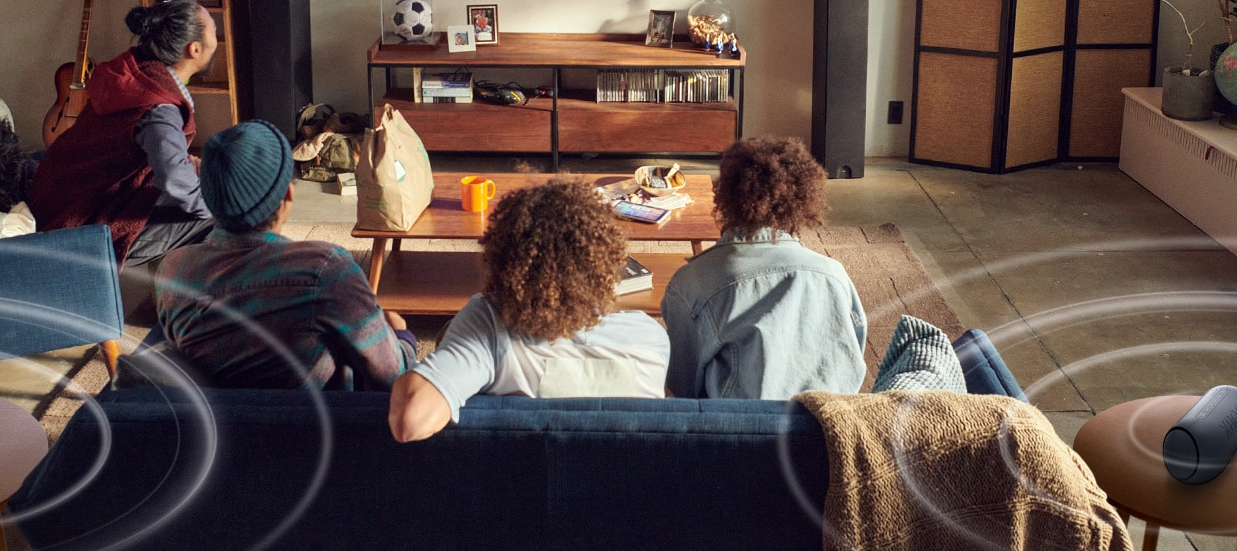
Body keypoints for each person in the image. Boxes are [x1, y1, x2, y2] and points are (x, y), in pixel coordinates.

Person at [388, 179, 670, 442]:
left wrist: (404, 341)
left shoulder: (490, 332)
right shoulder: (651, 339)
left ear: (503, 263)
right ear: (605, 270)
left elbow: (410, 420)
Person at [155, 120, 417, 390]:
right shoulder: (325, 268)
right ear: (288, 195)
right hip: (319, 426)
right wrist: (402, 335)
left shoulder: (173, 268)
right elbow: (392, 376)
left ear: (208, 197)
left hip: (219, 427)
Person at [661, 137, 867, 399]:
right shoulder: (834, 275)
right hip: (826, 430)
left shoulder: (692, 283)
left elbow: (683, 386)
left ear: (724, 196)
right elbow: (852, 357)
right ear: (803, 199)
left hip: (743, 434)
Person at [31, 0, 218, 266]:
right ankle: (177, 297)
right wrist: (213, 205)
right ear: (195, 49)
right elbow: (174, 177)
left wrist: (184, 164)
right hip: (82, 224)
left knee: (201, 186)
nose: (216, 39)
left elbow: (132, 148)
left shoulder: (133, 74)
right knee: (223, 216)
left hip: (57, 197)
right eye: (213, 31)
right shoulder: (159, 108)